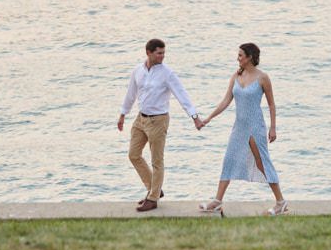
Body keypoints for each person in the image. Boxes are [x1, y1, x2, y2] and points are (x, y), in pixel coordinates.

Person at [197, 43, 288, 216]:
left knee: (262, 162)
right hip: (239, 127)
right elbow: (225, 101)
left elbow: (271, 104)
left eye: (240, 55)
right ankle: (217, 201)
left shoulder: (263, 78)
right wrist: (208, 118)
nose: (237, 58)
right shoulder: (236, 76)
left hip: (255, 127)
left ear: (250, 57)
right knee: (229, 160)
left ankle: (281, 202)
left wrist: (273, 127)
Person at [118, 38, 204, 211]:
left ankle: (153, 197)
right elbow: (131, 94)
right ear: (148, 52)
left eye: (164, 53)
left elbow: (181, 94)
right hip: (140, 119)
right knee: (133, 155)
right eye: (159, 53)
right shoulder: (138, 71)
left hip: (158, 120)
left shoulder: (167, 73)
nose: (162, 56)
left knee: (157, 160)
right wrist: (122, 114)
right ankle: (154, 188)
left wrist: (194, 116)